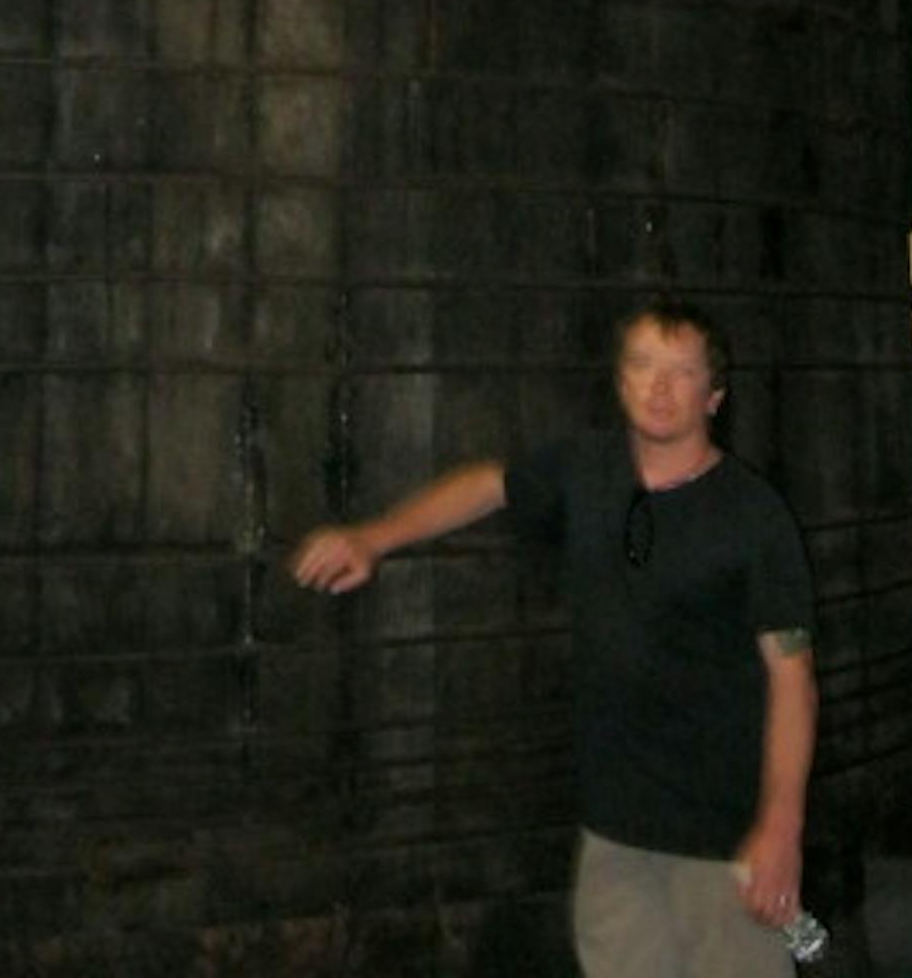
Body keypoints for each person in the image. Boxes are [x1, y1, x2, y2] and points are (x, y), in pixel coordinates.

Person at [291, 301, 818, 975]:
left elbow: (792, 677)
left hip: (721, 839)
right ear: (620, 380)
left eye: (681, 371)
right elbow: (488, 485)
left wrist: (781, 827)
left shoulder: (753, 516)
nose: (658, 387)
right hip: (614, 834)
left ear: (713, 395)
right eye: (642, 365)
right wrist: (373, 537)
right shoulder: (587, 471)